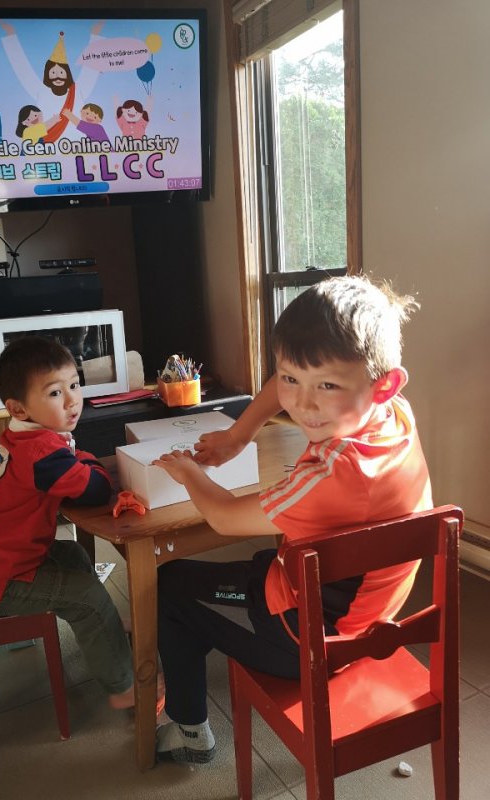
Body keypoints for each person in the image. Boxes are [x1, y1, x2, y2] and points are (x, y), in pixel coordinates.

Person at [151, 274, 432, 764]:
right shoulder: (396, 415)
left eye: (327, 385)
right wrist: (239, 435)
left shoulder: (331, 476)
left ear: (383, 385)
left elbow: (223, 518)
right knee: (251, 564)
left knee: (171, 584)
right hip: (367, 614)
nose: (303, 403)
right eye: (291, 379)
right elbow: (282, 387)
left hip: (311, 640)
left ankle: (189, 728)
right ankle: (198, 644)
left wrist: (187, 471)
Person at [0, 336, 135, 710]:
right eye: (54, 393)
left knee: (75, 556)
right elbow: (96, 489)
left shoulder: (20, 435)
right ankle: (123, 690)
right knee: (88, 597)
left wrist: (79, 458)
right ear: (18, 407)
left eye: (74, 385)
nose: (72, 401)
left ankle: (106, 632)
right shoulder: (42, 454)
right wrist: (91, 461)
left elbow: (71, 462)